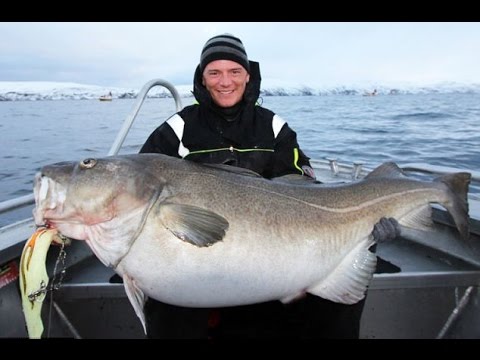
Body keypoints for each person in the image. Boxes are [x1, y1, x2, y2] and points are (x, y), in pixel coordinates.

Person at [138, 33, 399, 339]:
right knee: (165, 303)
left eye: (234, 71)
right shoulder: (177, 129)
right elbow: (143, 183)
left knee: (333, 294)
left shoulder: (273, 127)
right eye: (215, 72)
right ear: (203, 78)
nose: (225, 82)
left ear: (248, 75)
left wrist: (372, 225)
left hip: (271, 254)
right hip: (195, 258)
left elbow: (303, 188)